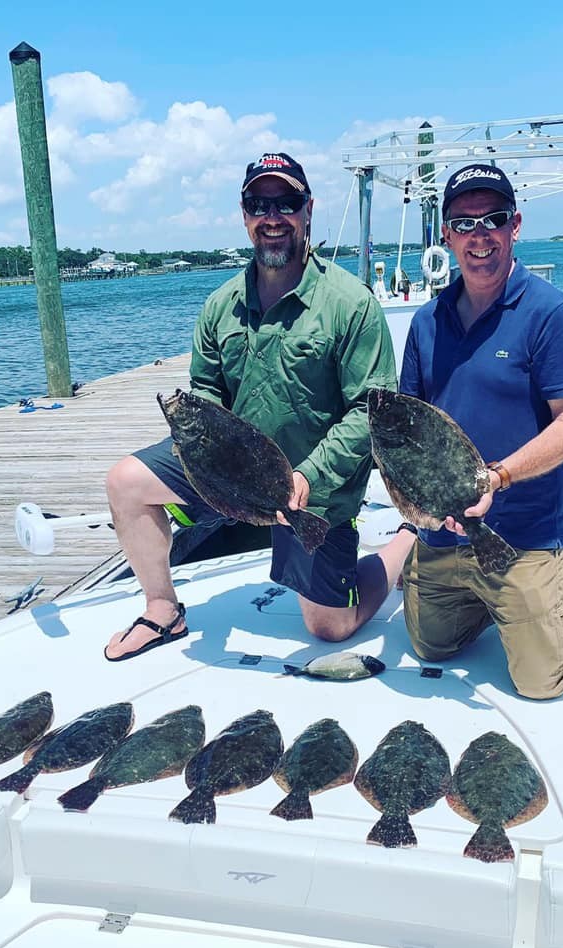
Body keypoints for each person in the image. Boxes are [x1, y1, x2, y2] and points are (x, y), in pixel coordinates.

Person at [104, 152, 403, 661]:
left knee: (330, 629)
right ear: (245, 216)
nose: (273, 217)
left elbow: (370, 410)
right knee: (125, 482)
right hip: (233, 474)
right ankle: (162, 609)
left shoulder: (351, 303)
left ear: (308, 210)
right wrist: (206, 454)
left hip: (315, 487)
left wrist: (308, 475)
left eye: (285, 203)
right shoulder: (220, 305)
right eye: (259, 205)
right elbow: (205, 394)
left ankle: (405, 541)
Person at [395, 163, 563, 700]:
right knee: (429, 647)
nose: (479, 235)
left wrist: (495, 479)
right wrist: (419, 512)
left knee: (541, 681)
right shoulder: (425, 323)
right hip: (444, 533)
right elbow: (410, 433)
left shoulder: (551, 313)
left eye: (494, 219)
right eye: (464, 222)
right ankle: (499, 607)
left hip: (523, 538)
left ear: (515, 226)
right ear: (446, 234)